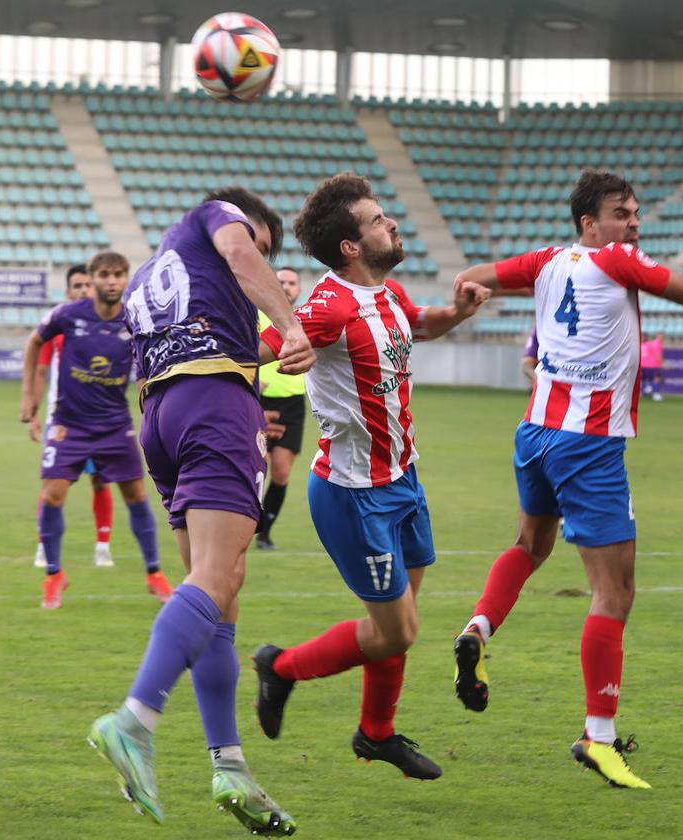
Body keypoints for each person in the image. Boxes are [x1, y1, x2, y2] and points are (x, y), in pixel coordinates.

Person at [449, 169, 683, 790]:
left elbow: (475, 277)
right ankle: (600, 736)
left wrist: (468, 294)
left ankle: (477, 628)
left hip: (534, 432)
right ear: (590, 223)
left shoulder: (545, 261)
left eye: (636, 212)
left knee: (529, 546)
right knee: (614, 593)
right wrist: (636, 262)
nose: (633, 222)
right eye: (621, 213)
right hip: (588, 443)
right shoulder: (617, 259)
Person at [87, 188, 314, 834]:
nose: (263, 263)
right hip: (216, 408)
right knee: (216, 578)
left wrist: (281, 343)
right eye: (266, 246)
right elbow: (241, 253)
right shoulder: (219, 218)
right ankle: (133, 721)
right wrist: (292, 322)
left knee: (219, 595)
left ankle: (231, 766)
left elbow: (216, 337)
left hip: (162, 417)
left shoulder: (157, 272)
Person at [251, 172, 489, 781]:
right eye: (379, 220)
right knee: (397, 631)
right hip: (355, 494)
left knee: (399, 622)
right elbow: (269, 346)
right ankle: (281, 668)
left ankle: (376, 734)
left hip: (404, 480)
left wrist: (456, 313)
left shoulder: (388, 294)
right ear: (351, 248)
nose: (392, 224)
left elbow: (421, 326)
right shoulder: (327, 305)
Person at [18, 252, 171, 610]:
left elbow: (148, 358)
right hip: (68, 423)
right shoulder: (68, 315)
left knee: (135, 495)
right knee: (52, 495)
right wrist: (29, 398)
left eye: (118, 274)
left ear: (125, 278)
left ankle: (154, 572)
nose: (112, 281)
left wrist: (150, 399)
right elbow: (34, 342)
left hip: (115, 424)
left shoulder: (134, 317)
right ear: (93, 279)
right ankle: (54, 574)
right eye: (104, 275)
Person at [30, 264, 116, 569]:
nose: (82, 290)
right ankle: (44, 545)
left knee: (100, 482)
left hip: (101, 419)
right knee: (53, 486)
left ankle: (102, 546)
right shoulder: (57, 326)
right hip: (62, 420)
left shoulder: (107, 326)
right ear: (68, 292)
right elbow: (41, 370)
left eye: (86, 285)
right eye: (76, 286)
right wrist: (36, 412)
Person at [255, 266, 306, 551]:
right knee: (256, 466)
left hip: (292, 403)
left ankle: (265, 532)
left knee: (282, 471)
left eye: (292, 282)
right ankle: (246, 522)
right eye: (281, 281)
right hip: (258, 401)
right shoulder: (259, 317)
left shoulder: (307, 318)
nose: (286, 286)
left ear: (299, 289)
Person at [640, 332, 665, 401]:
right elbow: (657, 355)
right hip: (651, 365)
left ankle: (650, 391)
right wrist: (662, 363)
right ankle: (650, 390)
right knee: (657, 379)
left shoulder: (643, 344)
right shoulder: (654, 344)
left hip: (644, 365)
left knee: (646, 380)